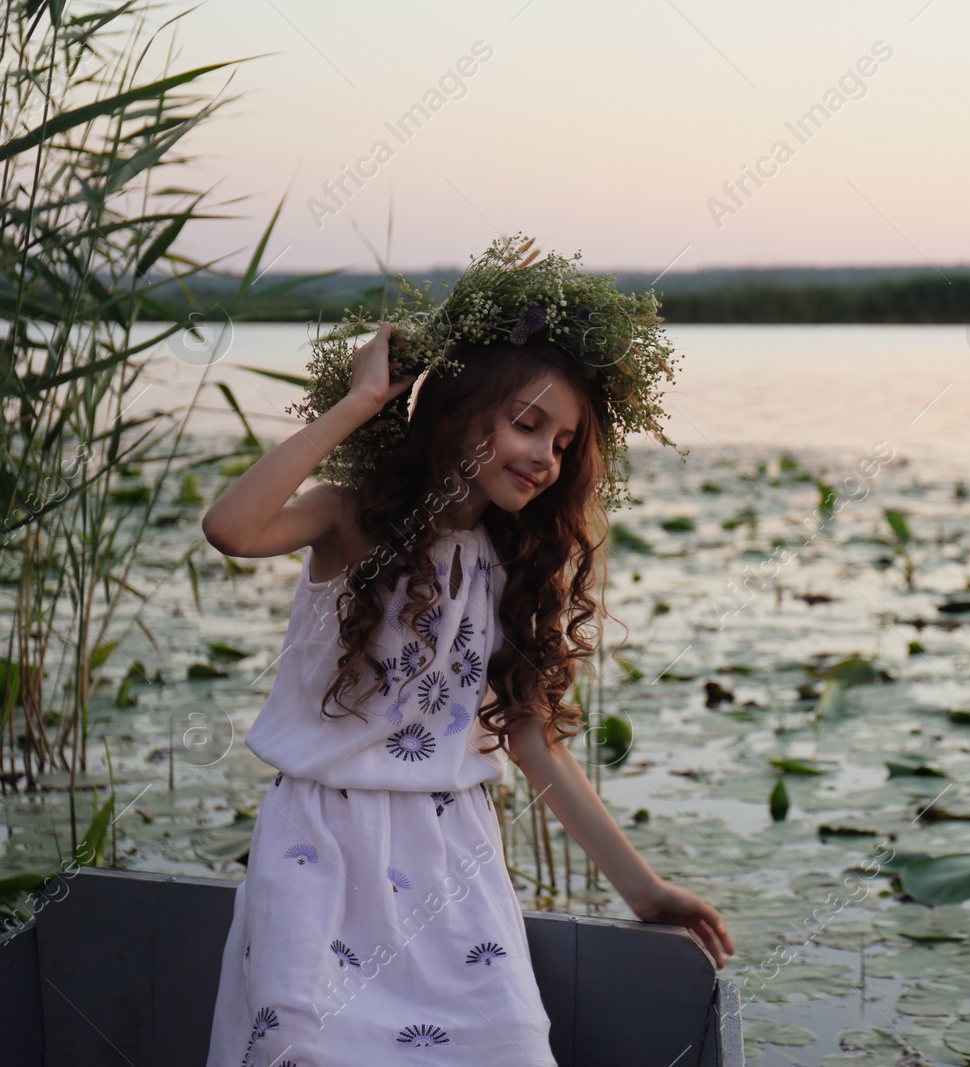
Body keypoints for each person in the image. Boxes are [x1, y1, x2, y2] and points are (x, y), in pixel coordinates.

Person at [201, 237, 733, 1066]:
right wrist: (358, 404)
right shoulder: (348, 518)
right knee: (302, 1046)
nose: (545, 457)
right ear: (456, 414)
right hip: (320, 846)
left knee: (509, 1045)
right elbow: (231, 528)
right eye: (527, 425)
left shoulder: (506, 566)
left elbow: (533, 741)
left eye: (561, 444)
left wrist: (645, 888)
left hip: (453, 857)